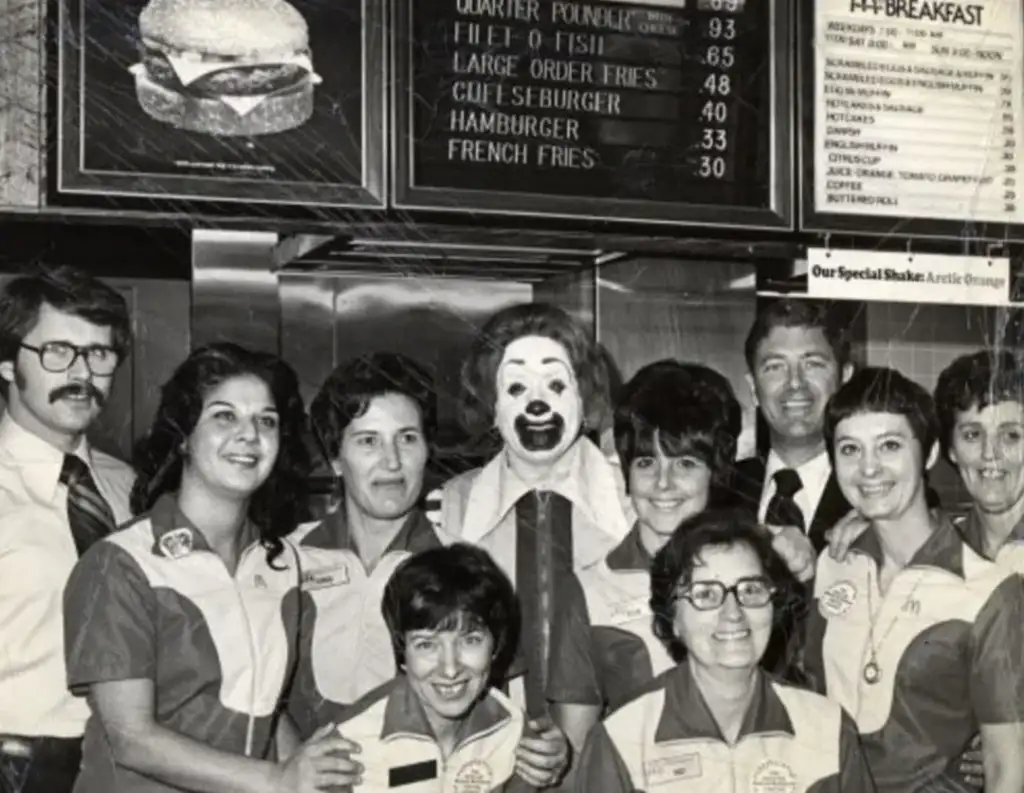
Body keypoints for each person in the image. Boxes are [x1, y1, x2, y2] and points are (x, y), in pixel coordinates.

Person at [62, 343, 361, 793]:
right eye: (224, 416)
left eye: (266, 421)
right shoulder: (120, 564)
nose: (249, 435)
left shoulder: (280, 565)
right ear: (183, 435)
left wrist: (310, 771)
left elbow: (264, 710)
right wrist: (276, 779)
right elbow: (131, 738)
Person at [288, 352, 569, 786]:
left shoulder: (461, 566)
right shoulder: (286, 560)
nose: (392, 461)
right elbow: (263, 700)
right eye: (368, 441)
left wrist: (546, 748)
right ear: (335, 458)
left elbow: (510, 707)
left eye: (407, 438)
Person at [804, 366, 1024, 793]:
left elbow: (1007, 769)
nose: (868, 468)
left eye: (888, 445)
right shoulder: (835, 563)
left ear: (927, 454)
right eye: (849, 449)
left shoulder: (988, 589)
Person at [425, 303, 626, 760]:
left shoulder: (635, 499)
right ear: (491, 406)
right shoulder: (448, 508)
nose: (538, 403)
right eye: (516, 387)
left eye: (556, 384)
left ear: (585, 398)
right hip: (490, 758)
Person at [574, 508, 875, 793]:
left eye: (751, 590)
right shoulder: (622, 739)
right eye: (705, 594)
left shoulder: (828, 728)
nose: (733, 613)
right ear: (673, 618)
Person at [0, 266, 134, 793]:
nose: (81, 373)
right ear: (8, 363)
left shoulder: (130, 488)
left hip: (122, 765)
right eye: (57, 351)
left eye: (98, 354)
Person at [576, 360, 749, 712]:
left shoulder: (754, 574)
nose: (663, 483)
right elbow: (578, 748)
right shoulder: (588, 590)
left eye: (685, 463)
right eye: (646, 462)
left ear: (715, 472)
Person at [337, 543, 565, 792]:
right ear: (403, 652)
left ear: (496, 645)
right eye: (426, 645)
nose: (450, 669)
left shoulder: (510, 729)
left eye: (470, 640)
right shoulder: (351, 742)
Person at [735, 298, 854, 559]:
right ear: (754, 389)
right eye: (775, 367)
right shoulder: (720, 491)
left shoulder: (871, 494)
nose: (795, 383)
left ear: (844, 379)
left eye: (813, 364)